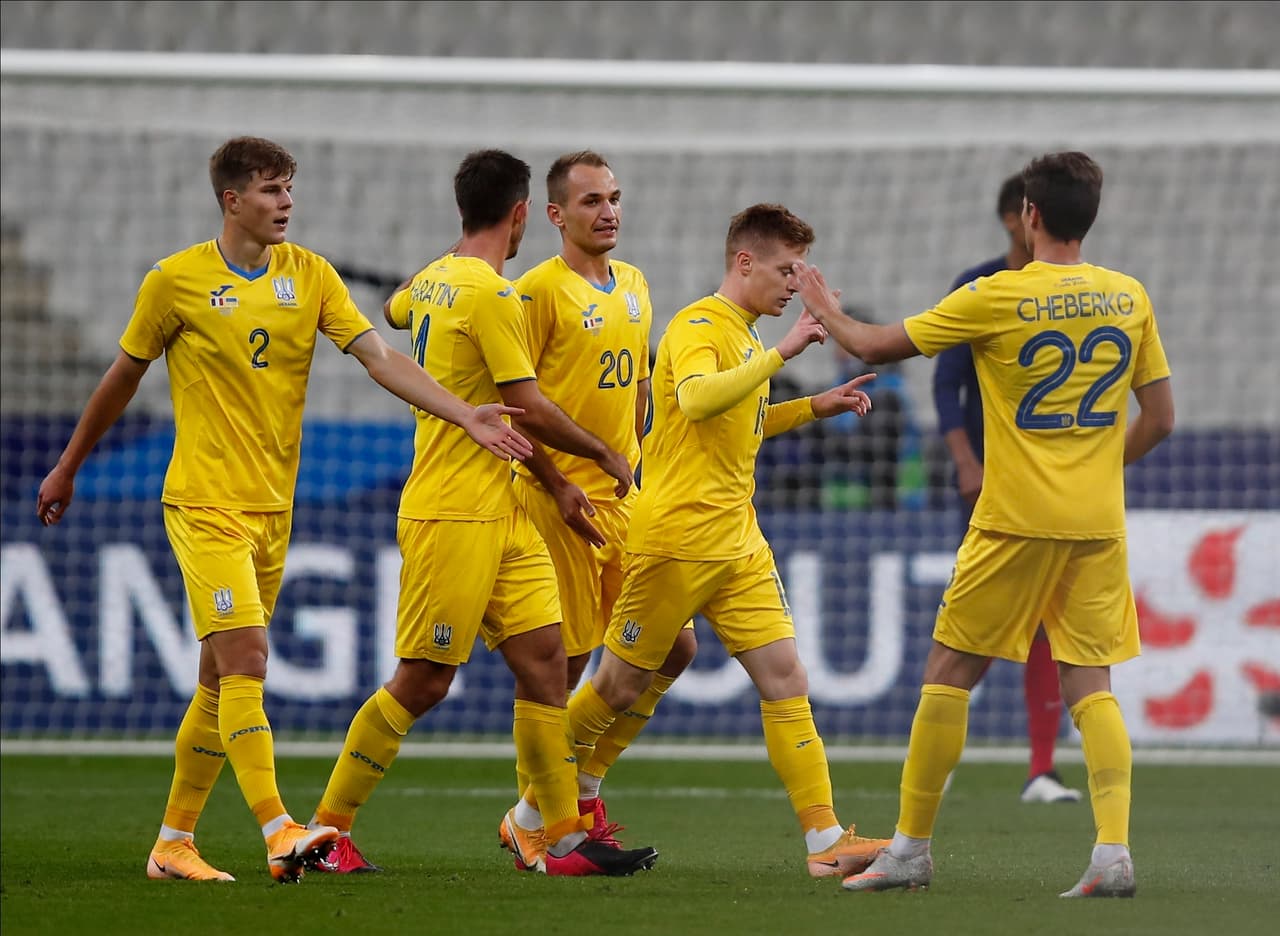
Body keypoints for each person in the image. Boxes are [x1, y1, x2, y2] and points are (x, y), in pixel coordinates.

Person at [34, 136, 533, 884]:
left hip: (273, 508)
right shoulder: (176, 281)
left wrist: (462, 414)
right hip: (203, 503)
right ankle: (278, 829)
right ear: (232, 201)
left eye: (290, 189)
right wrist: (69, 466)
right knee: (249, 661)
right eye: (270, 191)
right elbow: (122, 377)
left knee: (216, 680)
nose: (286, 204)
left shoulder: (311, 275)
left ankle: (173, 843)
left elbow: (381, 358)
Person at [795, 151, 1174, 897]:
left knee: (950, 672)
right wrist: (1095, 473)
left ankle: (909, 851)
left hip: (1015, 520)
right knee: (1090, 684)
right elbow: (1161, 419)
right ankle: (1113, 853)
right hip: (1097, 522)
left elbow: (872, 346)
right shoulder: (1129, 297)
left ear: (1029, 216)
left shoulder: (996, 296)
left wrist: (819, 301)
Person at [304, 149, 658, 878]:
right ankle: (325, 831)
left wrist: (555, 485)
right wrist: (603, 452)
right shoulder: (497, 296)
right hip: (452, 510)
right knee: (423, 681)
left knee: (543, 666)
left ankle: (557, 838)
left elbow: (396, 308)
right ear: (525, 213)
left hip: (505, 507)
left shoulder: (437, 279)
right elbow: (526, 405)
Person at [561, 202, 893, 880]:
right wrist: (785, 352)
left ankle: (824, 842)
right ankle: (538, 806)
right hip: (676, 540)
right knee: (619, 686)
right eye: (784, 269)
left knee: (786, 678)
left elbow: (739, 421)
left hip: (737, 542)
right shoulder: (698, 325)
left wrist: (811, 407)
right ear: (744, 262)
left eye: (798, 271)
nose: (794, 285)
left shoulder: (743, 334)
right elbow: (698, 399)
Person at [496, 151, 698, 864]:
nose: (608, 211)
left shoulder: (636, 285)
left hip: (624, 502)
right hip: (561, 504)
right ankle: (551, 822)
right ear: (555, 215)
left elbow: (638, 391)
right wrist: (558, 482)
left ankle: (566, 792)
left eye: (613, 197)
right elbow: (517, 406)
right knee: (567, 664)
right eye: (590, 201)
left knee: (674, 646)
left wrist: (644, 465)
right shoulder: (534, 293)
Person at [933, 173, 1082, 805]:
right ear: (1012, 219)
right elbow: (947, 387)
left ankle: (1042, 769)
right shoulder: (979, 287)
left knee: (1052, 625)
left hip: (1053, 487)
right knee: (977, 625)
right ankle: (938, 756)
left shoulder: (1075, 292)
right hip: (991, 485)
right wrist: (967, 462)